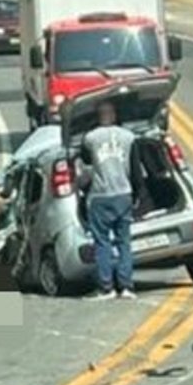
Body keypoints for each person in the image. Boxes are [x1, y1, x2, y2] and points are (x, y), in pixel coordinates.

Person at [81, 101, 140, 301]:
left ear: (99, 116)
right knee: (124, 242)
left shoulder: (90, 138)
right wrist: (137, 195)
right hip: (124, 194)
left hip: (100, 196)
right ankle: (126, 286)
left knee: (102, 242)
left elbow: (86, 159)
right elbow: (136, 169)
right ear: (114, 115)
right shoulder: (129, 138)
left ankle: (106, 287)